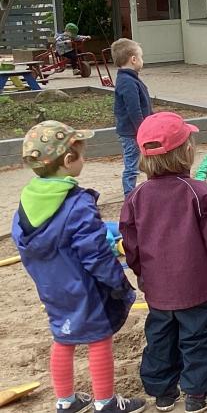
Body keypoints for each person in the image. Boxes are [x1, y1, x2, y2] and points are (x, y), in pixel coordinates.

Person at [14, 121, 143, 413]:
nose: (84, 159)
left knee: (63, 337)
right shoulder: (77, 204)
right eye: (82, 155)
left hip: (52, 288)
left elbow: (24, 245)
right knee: (99, 339)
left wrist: (45, 278)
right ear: (69, 161)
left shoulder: (27, 202)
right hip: (85, 287)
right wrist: (117, 281)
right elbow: (95, 253)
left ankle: (66, 400)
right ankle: (105, 402)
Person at [120, 112, 207, 413]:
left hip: (158, 287)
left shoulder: (136, 196)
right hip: (196, 286)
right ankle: (199, 393)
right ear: (186, 150)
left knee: (160, 337)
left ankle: (163, 393)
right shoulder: (198, 193)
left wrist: (139, 271)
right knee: (199, 337)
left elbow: (130, 242)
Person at [112, 38, 152, 198]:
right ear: (133, 59)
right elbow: (134, 109)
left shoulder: (129, 78)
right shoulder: (127, 81)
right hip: (132, 132)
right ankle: (129, 196)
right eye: (141, 57)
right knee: (132, 166)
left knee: (146, 162)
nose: (142, 60)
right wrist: (143, 129)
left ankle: (150, 191)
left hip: (137, 130)